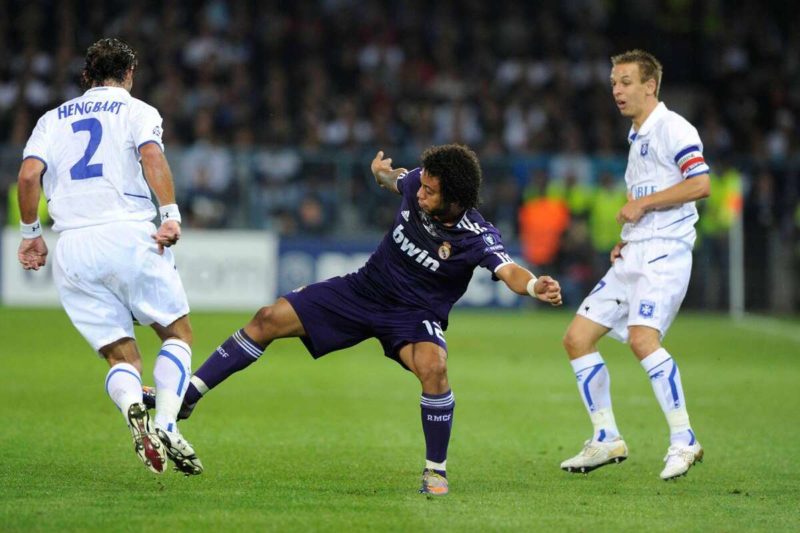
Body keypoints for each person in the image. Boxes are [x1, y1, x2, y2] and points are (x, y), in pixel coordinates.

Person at [145, 144, 563, 495]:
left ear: (454, 199)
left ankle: (435, 469)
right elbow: (397, 180)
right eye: (423, 186)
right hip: (362, 291)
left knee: (434, 368)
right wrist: (381, 173)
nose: (421, 194)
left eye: (431, 193)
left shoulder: (476, 234)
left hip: (413, 317)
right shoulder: (420, 181)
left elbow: (508, 270)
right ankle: (188, 397)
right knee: (268, 317)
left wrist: (532, 288)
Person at [16, 38, 202, 476]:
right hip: (128, 232)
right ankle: (168, 424)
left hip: (74, 246)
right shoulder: (137, 111)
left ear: (87, 76)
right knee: (178, 333)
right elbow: (151, 155)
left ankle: (133, 409)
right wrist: (171, 215)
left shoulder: (51, 119)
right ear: (130, 74)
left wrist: (30, 235)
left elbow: (28, 175)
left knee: (122, 358)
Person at [559, 50, 710, 480]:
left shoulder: (672, 127)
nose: (616, 91)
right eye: (613, 83)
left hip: (666, 252)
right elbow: (641, 199)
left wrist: (642, 204)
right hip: (636, 252)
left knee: (643, 339)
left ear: (650, 86)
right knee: (577, 338)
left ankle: (684, 440)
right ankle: (606, 437)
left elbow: (700, 183)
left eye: (625, 82)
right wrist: (624, 241)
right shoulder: (637, 136)